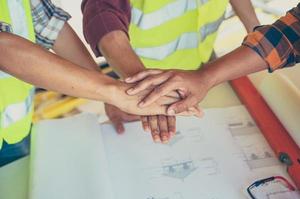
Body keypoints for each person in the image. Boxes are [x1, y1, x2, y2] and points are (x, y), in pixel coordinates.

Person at [0, 0, 189, 167]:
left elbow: (50, 24)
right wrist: (114, 92)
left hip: (14, 129)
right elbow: (5, 50)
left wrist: (113, 96)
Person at [81, 0, 260, 143]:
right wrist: (141, 85)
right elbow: (102, 14)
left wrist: (257, 36)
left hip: (202, 68)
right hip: (145, 84)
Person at [125, 3, 300, 115]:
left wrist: (254, 32)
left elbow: (292, 33)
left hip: (201, 58)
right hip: (141, 69)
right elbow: (103, 14)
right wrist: (119, 87)